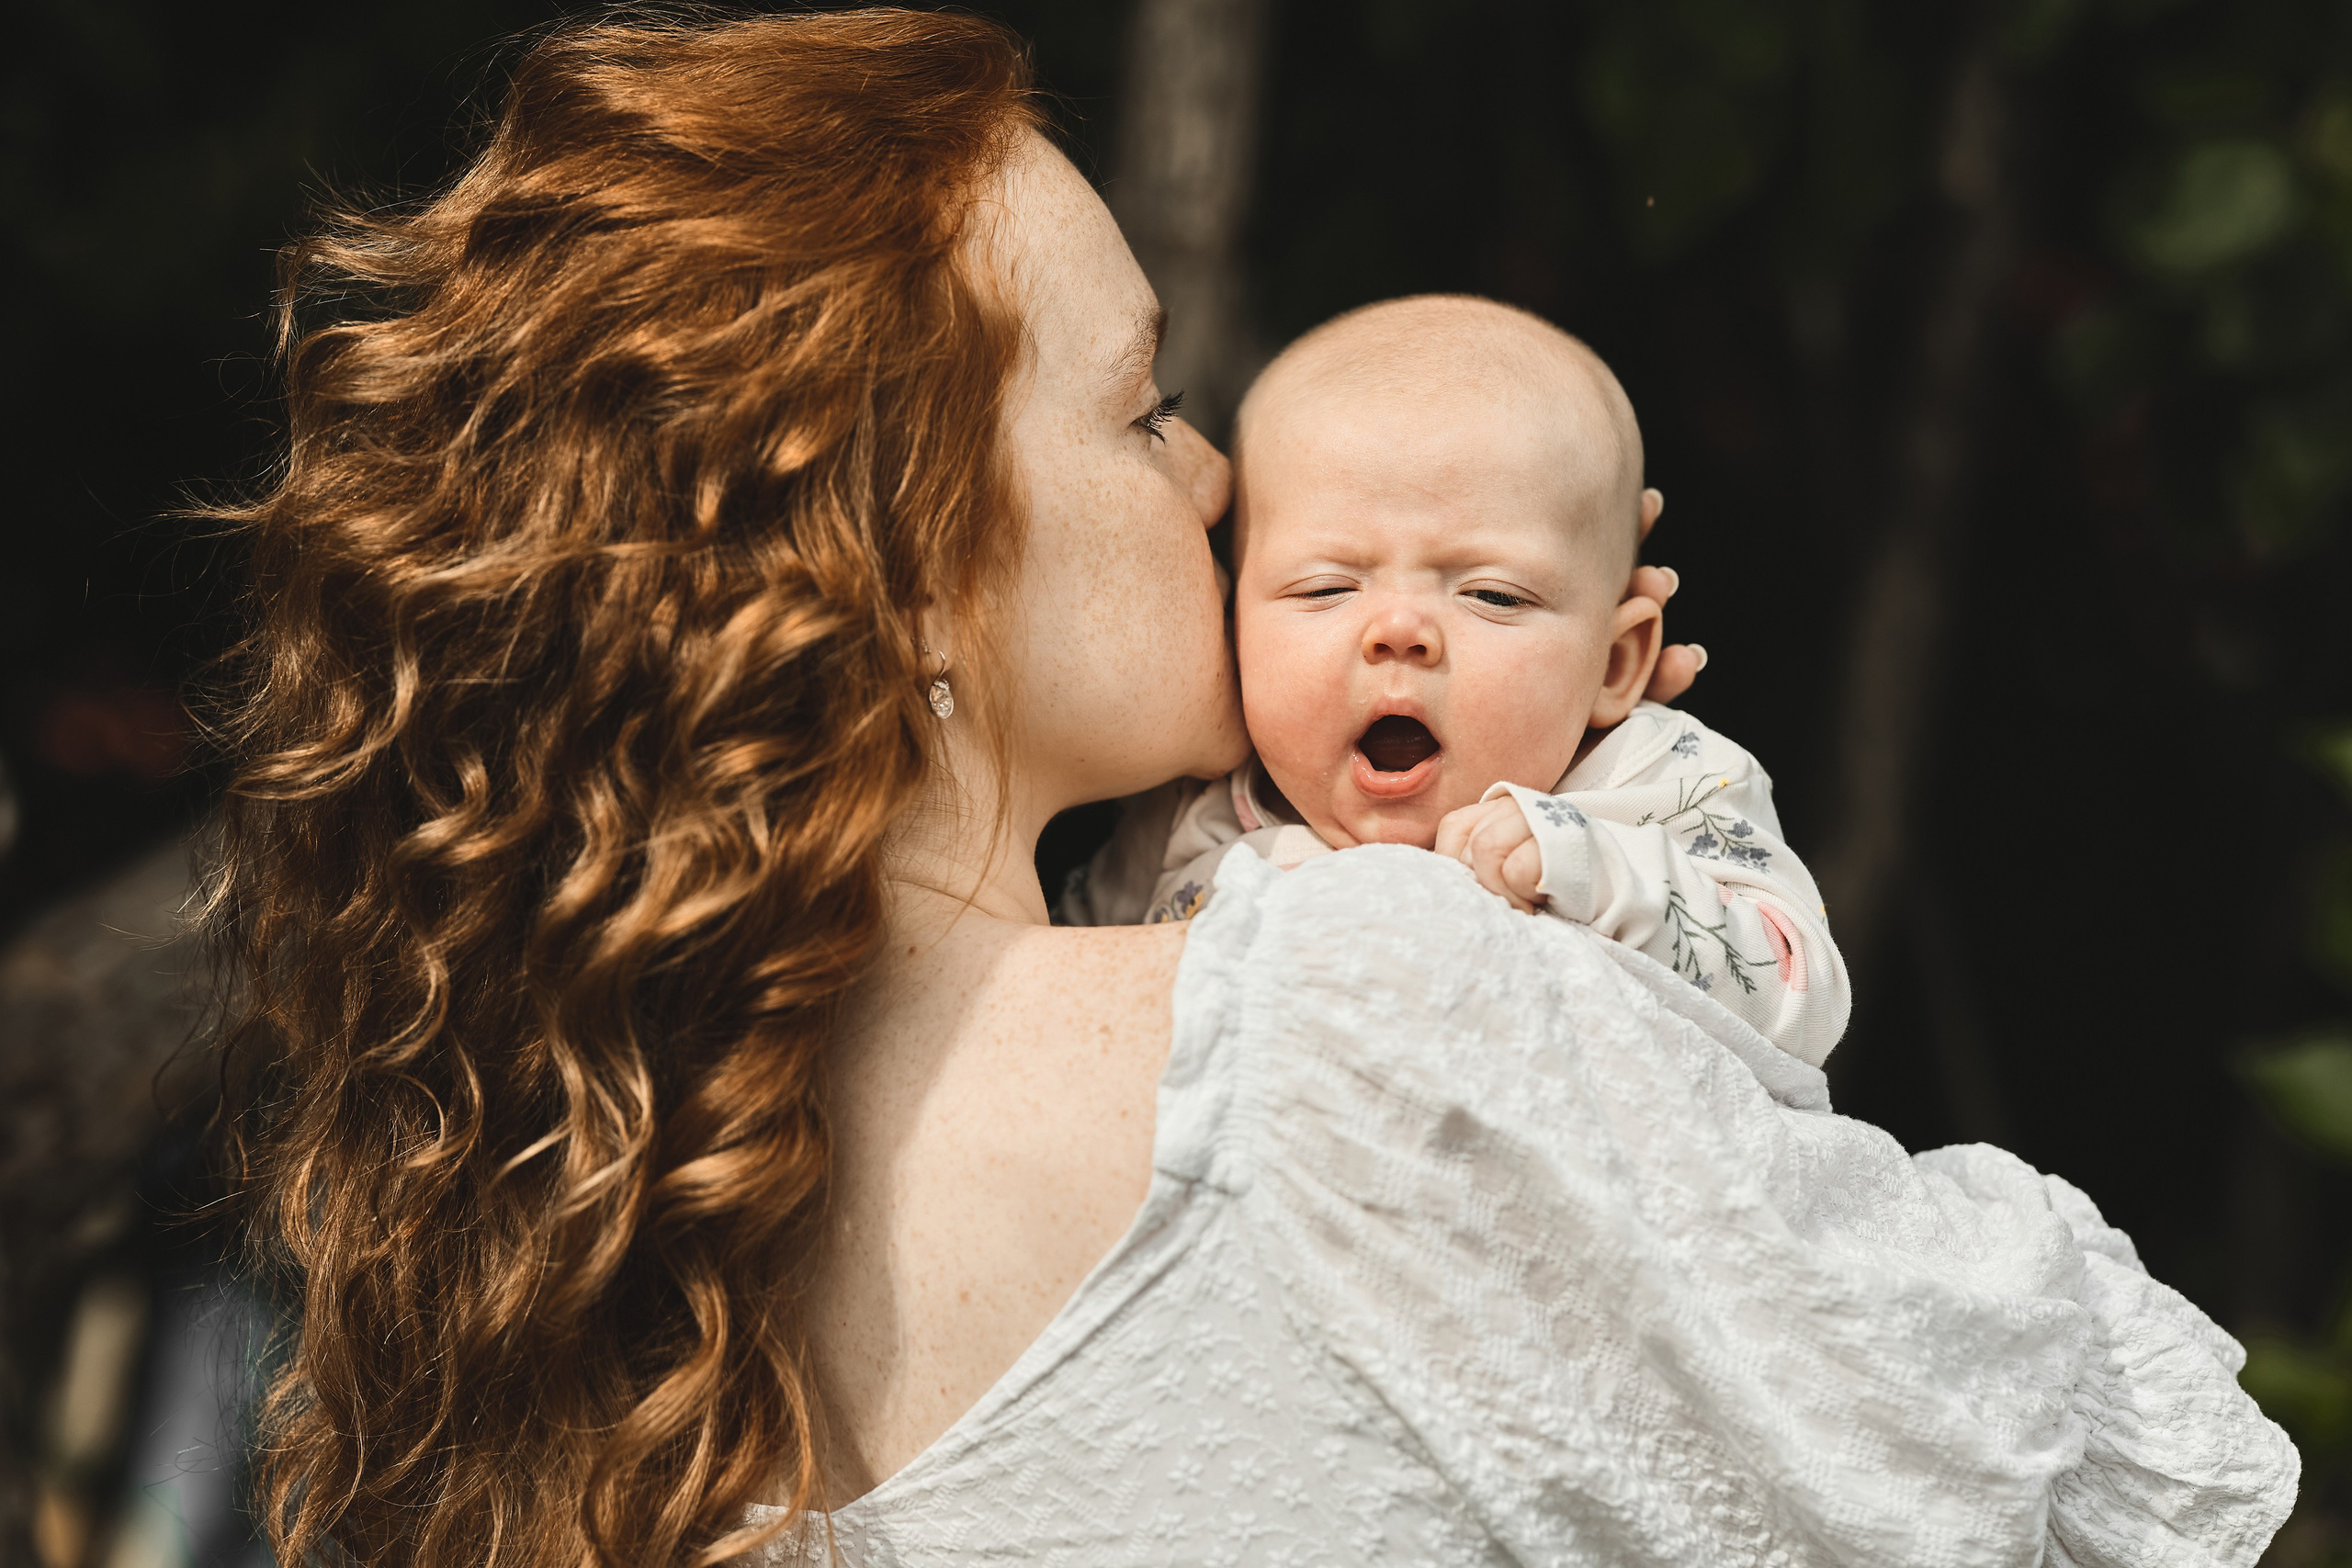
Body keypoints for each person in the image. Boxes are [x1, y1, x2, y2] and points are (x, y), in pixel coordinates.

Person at [203, 11, 2293, 1568]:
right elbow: (2090, 1457)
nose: (1213, 480)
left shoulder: (579, 1247)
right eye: (1142, 408)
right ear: (908, 575)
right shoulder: (1349, 1023)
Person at [1067, 296, 1849, 1066]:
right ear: (1232, 623)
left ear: (1614, 663)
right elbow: (1070, 982)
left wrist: (1594, 869)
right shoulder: (1194, 814)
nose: (1399, 629)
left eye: (1492, 595)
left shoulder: (1657, 781)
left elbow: (1805, 1002)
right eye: (1325, 588)